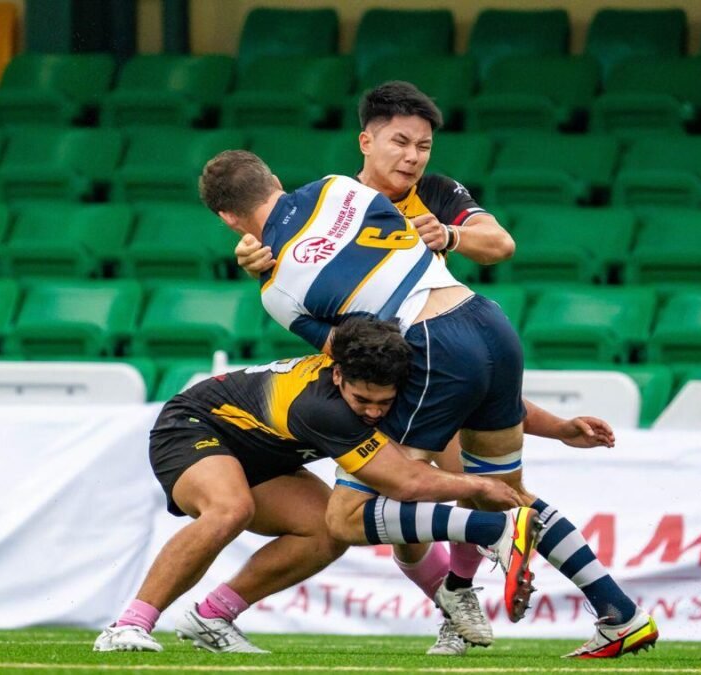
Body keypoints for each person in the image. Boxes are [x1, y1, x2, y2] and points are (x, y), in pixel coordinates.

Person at [200, 150, 658, 660]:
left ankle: (494, 536)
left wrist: (262, 265)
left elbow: (353, 356)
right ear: (276, 179)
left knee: (347, 517)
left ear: (228, 218)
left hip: (430, 343)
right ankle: (621, 614)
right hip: (490, 323)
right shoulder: (337, 187)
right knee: (507, 491)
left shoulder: (275, 288)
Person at [93, 317, 537, 653]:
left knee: (328, 530)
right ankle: (128, 625)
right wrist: (477, 490)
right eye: (362, 400)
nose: (373, 413)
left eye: (384, 403)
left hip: (266, 455)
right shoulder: (325, 408)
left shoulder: (386, 379)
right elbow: (405, 482)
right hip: (193, 426)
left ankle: (212, 617)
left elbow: (484, 399)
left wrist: (563, 429)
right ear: (339, 375)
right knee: (230, 509)